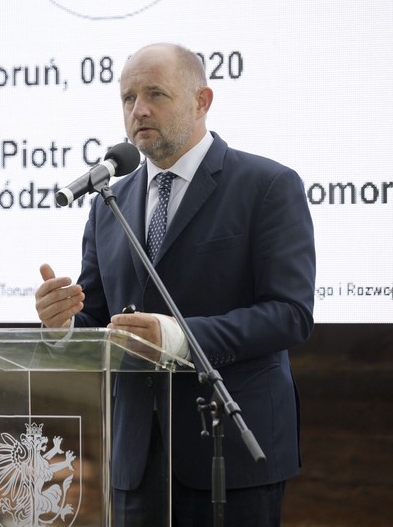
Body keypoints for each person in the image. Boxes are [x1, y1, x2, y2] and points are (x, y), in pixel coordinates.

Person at [35, 42, 316, 526]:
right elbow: (98, 319)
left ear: (202, 101)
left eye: (155, 94)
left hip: (230, 449)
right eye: (128, 98)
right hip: (138, 459)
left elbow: (290, 314)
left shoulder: (266, 185)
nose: (138, 110)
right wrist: (61, 325)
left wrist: (178, 337)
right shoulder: (108, 203)